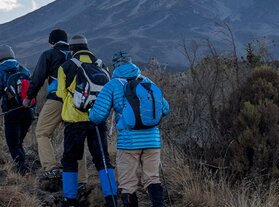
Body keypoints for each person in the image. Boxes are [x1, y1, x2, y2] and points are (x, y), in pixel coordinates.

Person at [89, 51, 170, 207]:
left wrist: (89, 112)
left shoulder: (112, 85)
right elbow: (165, 109)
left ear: (115, 66)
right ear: (131, 63)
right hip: (152, 140)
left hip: (128, 142)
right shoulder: (147, 81)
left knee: (128, 183)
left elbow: (98, 116)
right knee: (152, 178)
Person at [56, 35, 117, 207]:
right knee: (102, 158)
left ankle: (70, 200)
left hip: (75, 121)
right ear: (87, 47)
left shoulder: (66, 66)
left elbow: (61, 93)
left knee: (70, 159)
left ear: (71, 49)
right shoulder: (100, 64)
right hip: (97, 119)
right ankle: (111, 198)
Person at [22, 29, 88, 185]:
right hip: (76, 102)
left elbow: (37, 78)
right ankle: (82, 178)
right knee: (75, 139)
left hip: (56, 99)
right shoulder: (75, 54)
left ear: (52, 42)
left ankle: (51, 167)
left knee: (42, 132)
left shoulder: (49, 54)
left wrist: (29, 97)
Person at [0, 45, 35, 177]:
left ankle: (23, 171)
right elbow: (33, 89)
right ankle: (24, 166)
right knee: (18, 142)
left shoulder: (1, 71)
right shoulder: (23, 70)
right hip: (28, 111)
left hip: (12, 112)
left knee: (13, 144)